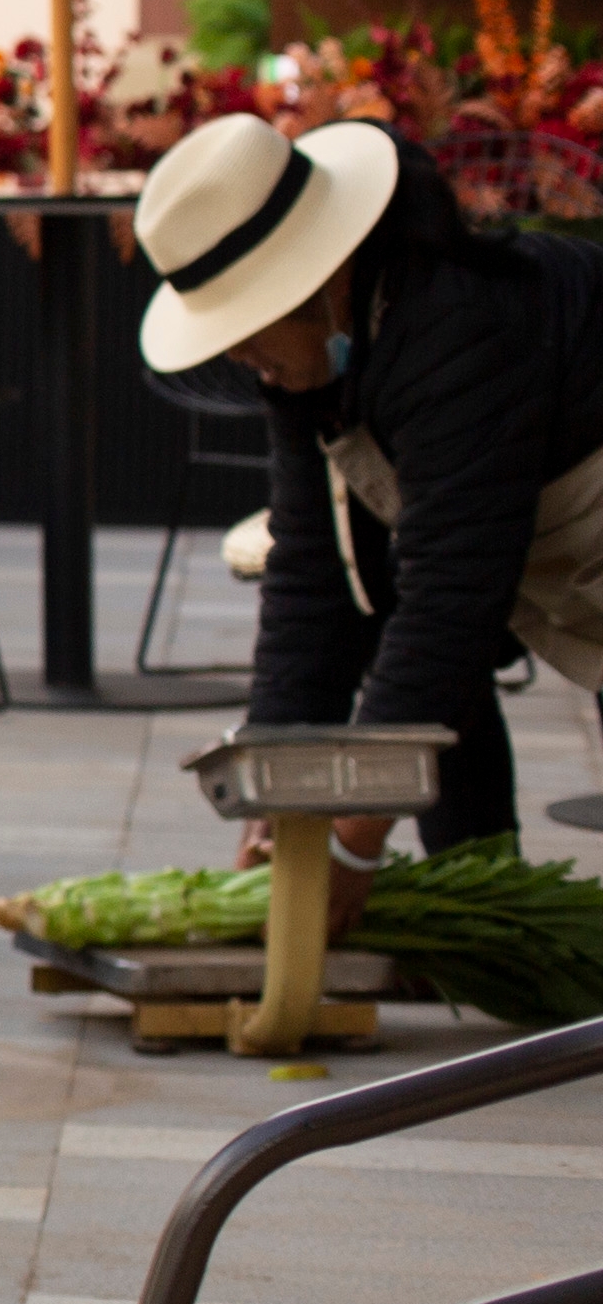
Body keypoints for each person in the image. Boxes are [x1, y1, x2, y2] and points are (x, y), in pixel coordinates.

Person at [139, 109, 603, 882]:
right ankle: (480, 895)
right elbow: (313, 579)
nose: (243, 357)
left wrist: (349, 844)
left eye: (248, 329)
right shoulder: (315, 362)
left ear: (316, 279)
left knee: (424, 639)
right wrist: (275, 809)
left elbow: (451, 608)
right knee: (381, 602)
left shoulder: (454, 328)